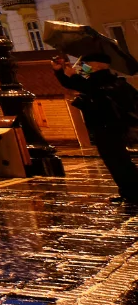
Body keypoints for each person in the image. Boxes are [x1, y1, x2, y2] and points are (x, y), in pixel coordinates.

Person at [57, 55, 138, 204]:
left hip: (110, 127)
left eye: (87, 63)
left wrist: (74, 76)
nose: (84, 65)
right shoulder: (97, 79)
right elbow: (76, 84)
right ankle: (128, 191)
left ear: (99, 65)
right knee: (115, 162)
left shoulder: (107, 81)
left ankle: (133, 193)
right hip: (104, 127)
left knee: (119, 162)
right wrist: (60, 71)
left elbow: (91, 89)